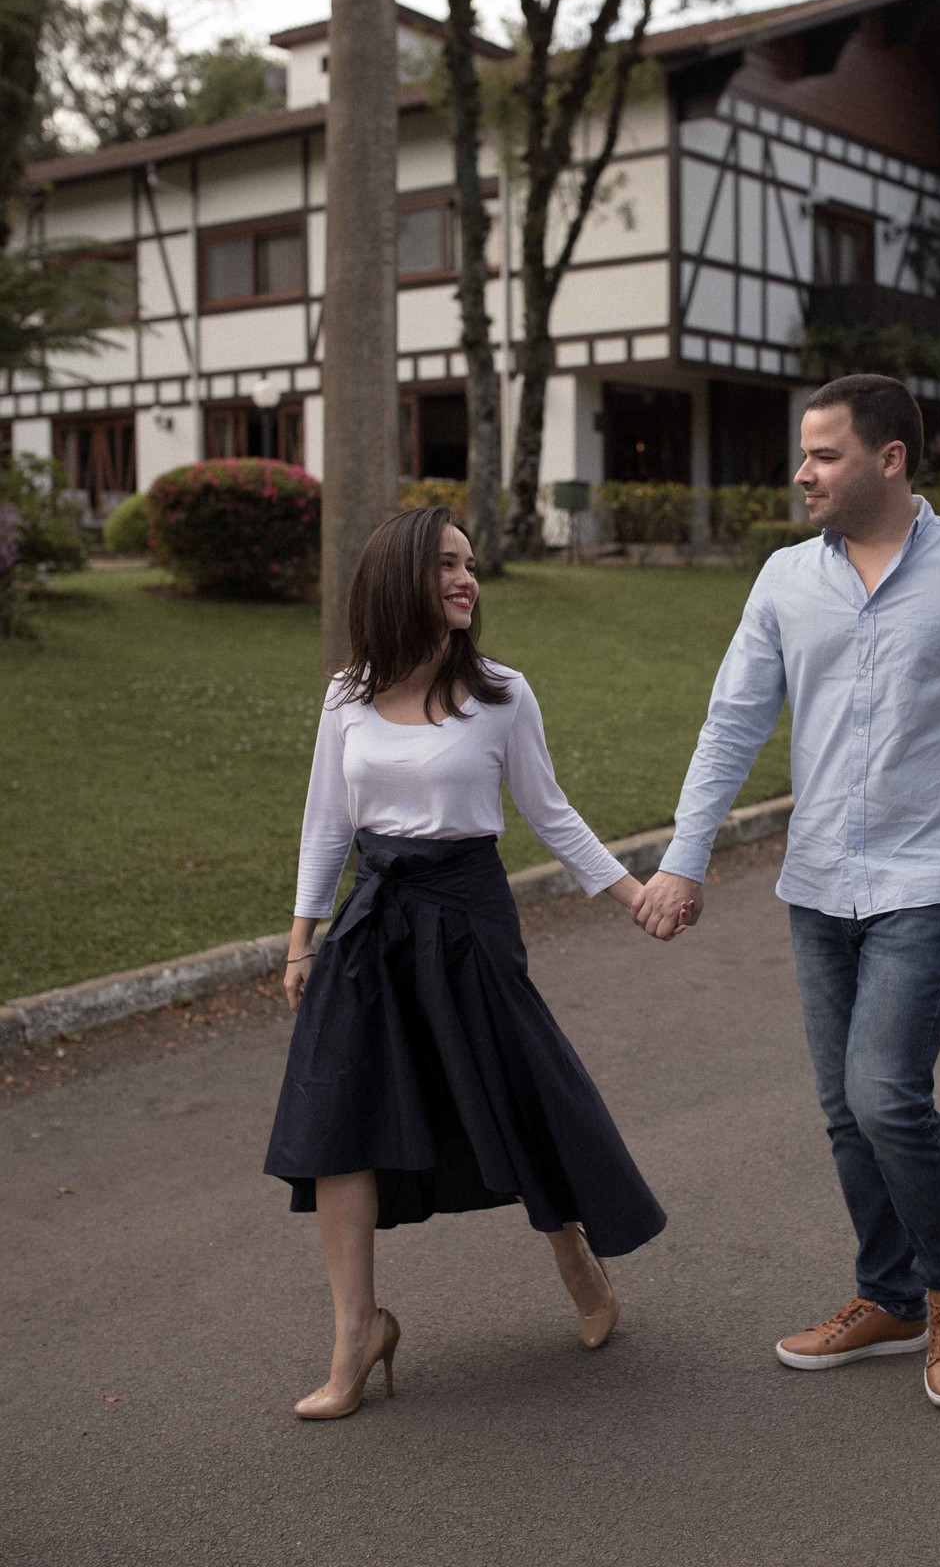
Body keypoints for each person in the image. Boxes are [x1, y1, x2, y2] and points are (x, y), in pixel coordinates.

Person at [633, 374, 940, 1410]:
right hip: (818, 882)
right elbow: (731, 725)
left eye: (824, 455)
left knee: (886, 1094)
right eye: (802, 455)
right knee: (844, 1112)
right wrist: (684, 856)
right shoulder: (782, 581)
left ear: (891, 459)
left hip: (930, 879)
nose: (802, 474)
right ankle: (888, 1295)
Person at [265, 506, 676, 1420]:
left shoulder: (500, 693)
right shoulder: (347, 695)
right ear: (400, 575)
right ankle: (355, 1335)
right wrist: (302, 939)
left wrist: (633, 892)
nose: (466, 580)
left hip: (467, 920)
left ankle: (576, 1255)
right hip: (372, 924)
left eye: (471, 566)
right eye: (446, 564)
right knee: (338, 1114)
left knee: (508, 1097)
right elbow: (326, 822)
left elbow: (550, 810)